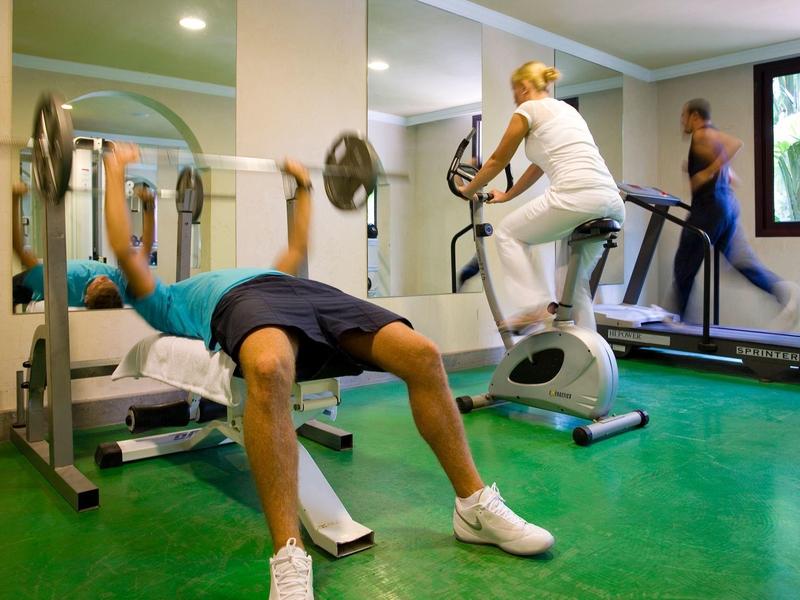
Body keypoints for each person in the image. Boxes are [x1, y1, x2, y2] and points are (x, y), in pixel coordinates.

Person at [103, 143, 555, 600]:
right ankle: (287, 555)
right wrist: (114, 171)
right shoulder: (160, 301)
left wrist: (302, 188)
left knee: (421, 353)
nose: (114, 275)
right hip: (241, 304)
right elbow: (124, 247)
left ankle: (473, 507)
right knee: (269, 365)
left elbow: (296, 248)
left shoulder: (233, 273)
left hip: (294, 287)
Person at [458, 61, 624, 333]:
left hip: (576, 195)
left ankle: (534, 306)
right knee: (571, 282)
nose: (513, 97)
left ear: (524, 87)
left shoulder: (527, 109)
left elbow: (498, 159)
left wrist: (467, 190)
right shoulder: (567, 111)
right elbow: (538, 167)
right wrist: (508, 195)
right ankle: (591, 357)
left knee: (508, 234)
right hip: (611, 201)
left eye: (514, 91)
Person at [671, 98, 799, 326]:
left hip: (710, 208)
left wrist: (707, 171)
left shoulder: (702, 134)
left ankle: (681, 323)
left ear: (695, 116)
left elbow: (735, 143)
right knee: (742, 263)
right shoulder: (708, 142)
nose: (682, 121)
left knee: (684, 264)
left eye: (684, 115)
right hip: (726, 206)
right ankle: (783, 291)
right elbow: (730, 177)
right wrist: (705, 171)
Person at [10, 181, 155, 310]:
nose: (103, 278)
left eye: (98, 284)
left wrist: (15, 200)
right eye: (107, 281)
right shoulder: (121, 286)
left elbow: (19, 250)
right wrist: (149, 207)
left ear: (85, 298)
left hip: (27, 285)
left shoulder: (64, 283)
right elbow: (145, 252)